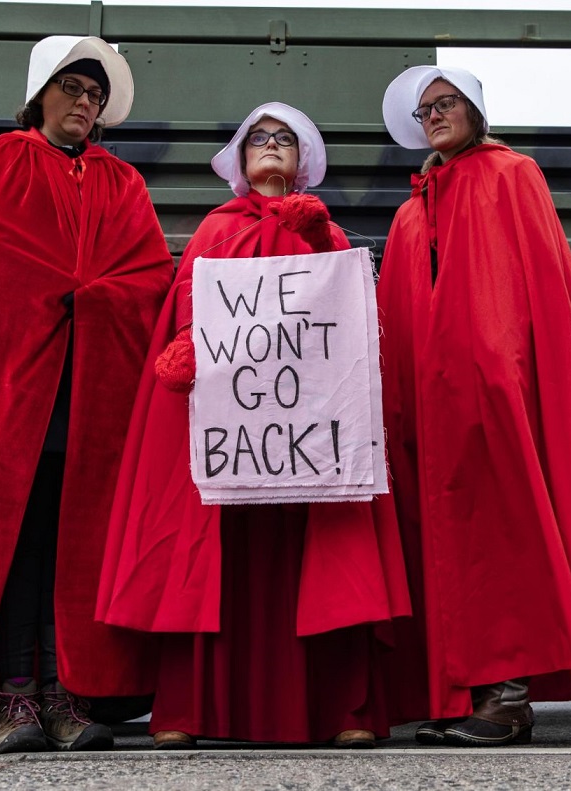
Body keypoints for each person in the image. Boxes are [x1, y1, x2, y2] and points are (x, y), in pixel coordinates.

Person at [0, 36, 173, 754]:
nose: (85, 103)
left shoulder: (123, 182)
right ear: (41, 93)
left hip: (91, 389)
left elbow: (145, 273)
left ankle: (69, 696)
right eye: (73, 88)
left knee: (72, 546)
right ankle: (16, 698)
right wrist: (75, 290)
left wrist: (95, 296)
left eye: (95, 96)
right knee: (11, 543)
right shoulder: (0, 159)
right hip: (15, 387)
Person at [96, 102, 412, 749]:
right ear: (241, 161)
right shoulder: (216, 228)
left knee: (323, 557)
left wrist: (320, 237)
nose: (271, 146)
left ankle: (341, 707)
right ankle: (190, 707)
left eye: (284, 139)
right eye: (259, 139)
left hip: (307, 441)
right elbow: (194, 298)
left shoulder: (323, 228)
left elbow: (348, 317)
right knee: (211, 562)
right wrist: (185, 344)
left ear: (302, 161)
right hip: (233, 437)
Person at [376, 66, 571, 747]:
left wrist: (503, 374)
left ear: (476, 110)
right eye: (426, 111)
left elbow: (534, 290)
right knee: (449, 544)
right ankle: (464, 687)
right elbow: (401, 308)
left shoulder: (512, 175)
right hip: (434, 399)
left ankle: (507, 695)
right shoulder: (412, 209)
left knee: (506, 535)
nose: (435, 116)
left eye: (447, 103)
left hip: (497, 389)